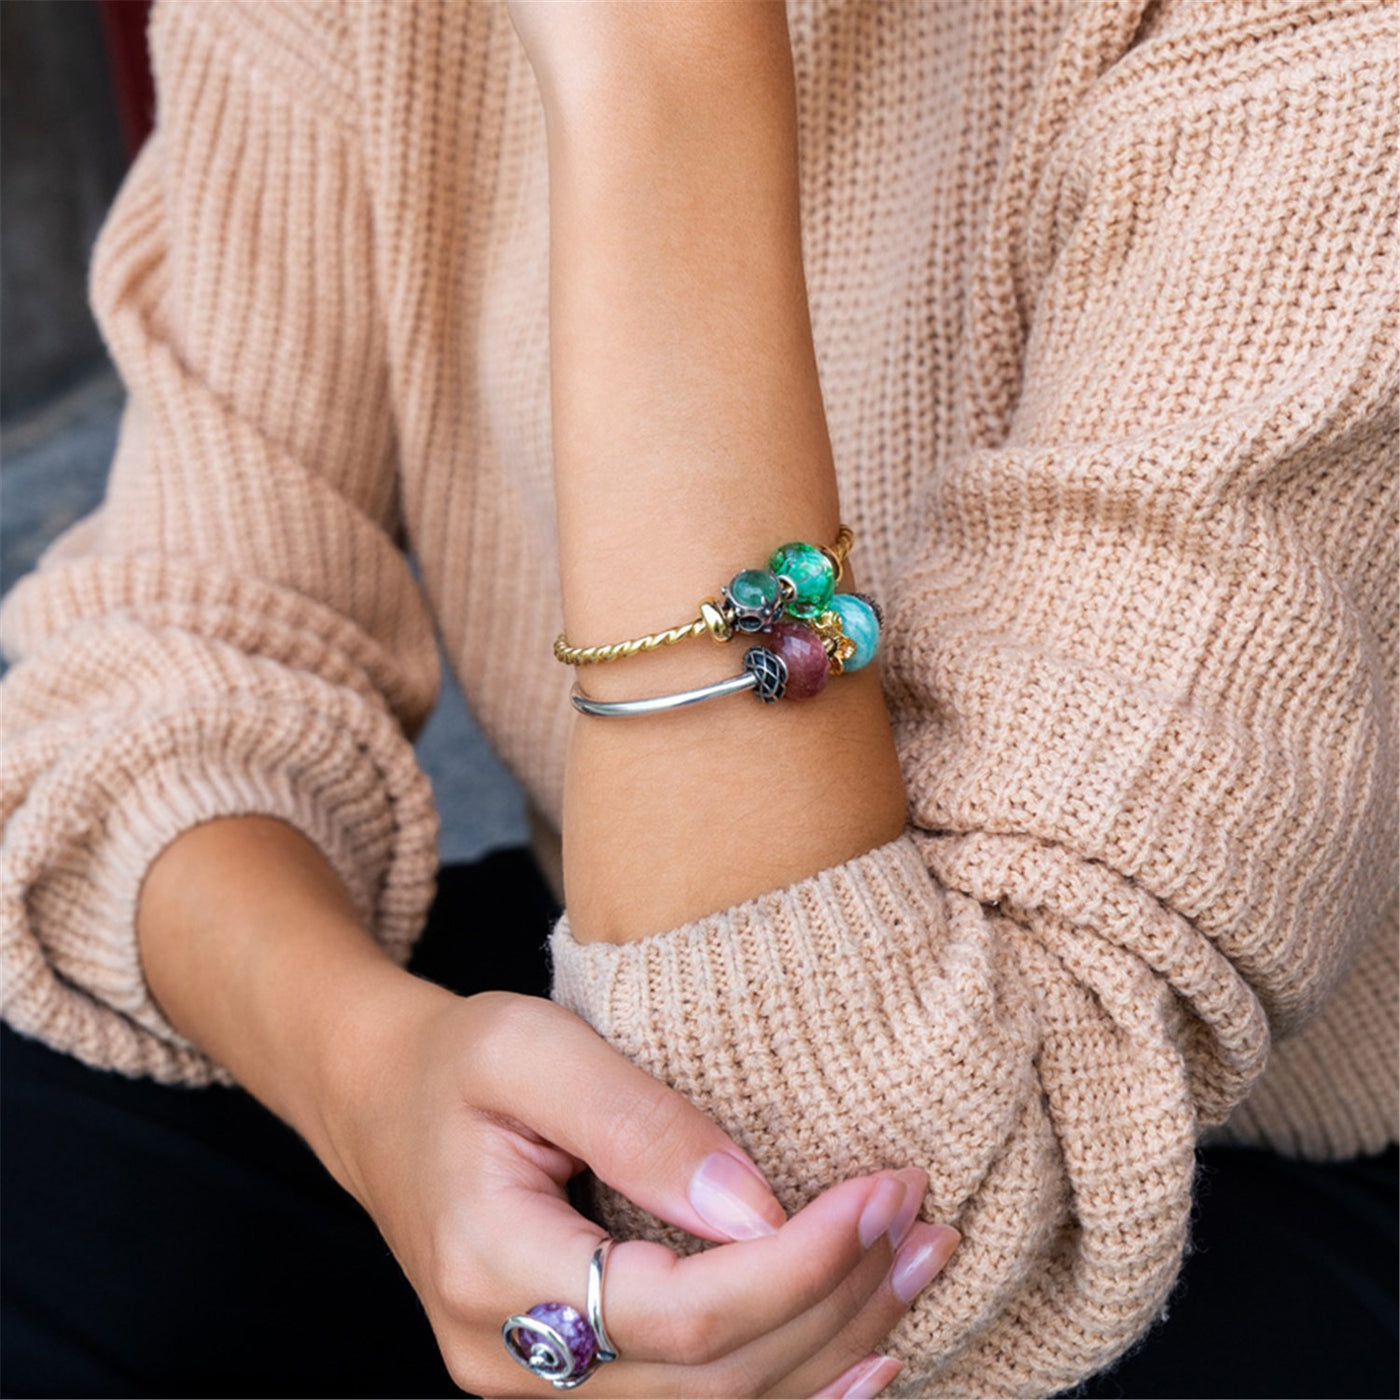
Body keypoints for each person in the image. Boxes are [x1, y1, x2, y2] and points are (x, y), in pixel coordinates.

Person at [1, 1, 1395, 1397]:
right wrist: (368, 1079)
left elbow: (848, 1210)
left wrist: (660, 76)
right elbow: (172, 668)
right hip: (610, 956)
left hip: (1217, 1133)